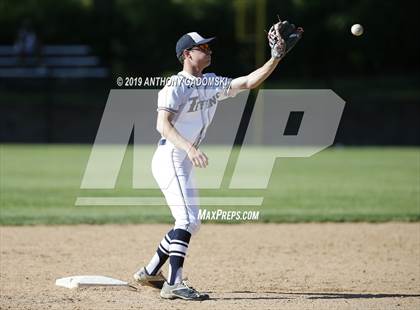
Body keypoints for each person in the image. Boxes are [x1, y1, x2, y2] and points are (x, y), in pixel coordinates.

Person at [133, 19, 303, 301]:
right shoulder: (175, 85)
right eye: (203, 47)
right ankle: (174, 282)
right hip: (171, 155)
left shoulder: (211, 82)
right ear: (187, 54)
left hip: (182, 159)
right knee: (186, 219)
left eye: (209, 47)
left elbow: (249, 81)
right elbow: (163, 125)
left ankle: (150, 271)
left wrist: (275, 58)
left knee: (191, 222)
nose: (209, 50)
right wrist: (189, 148)